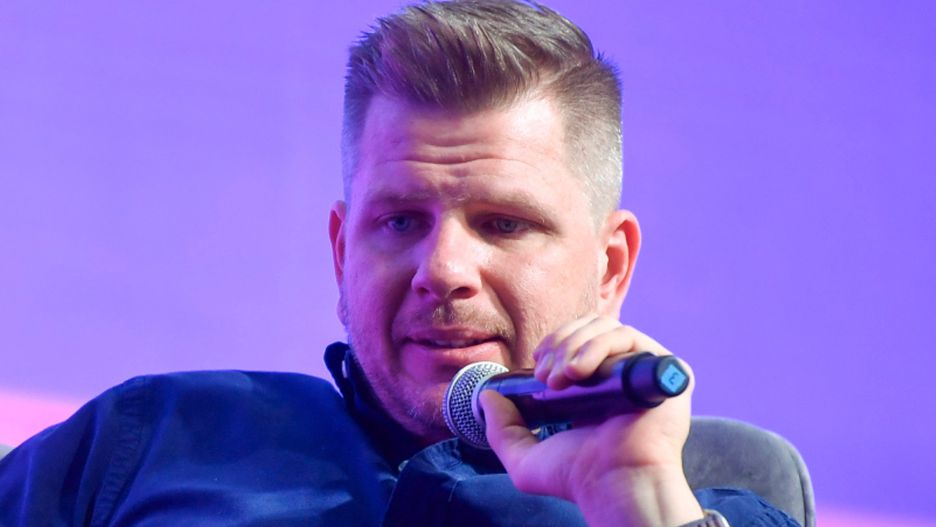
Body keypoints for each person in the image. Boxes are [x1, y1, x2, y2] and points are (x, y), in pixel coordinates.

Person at [0, 1, 799, 526]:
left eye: (504, 223)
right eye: (400, 221)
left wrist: (640, 499)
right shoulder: (149, 439)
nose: (442, 267)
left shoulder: (702, 504)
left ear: (611, 266)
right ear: (342, 251)